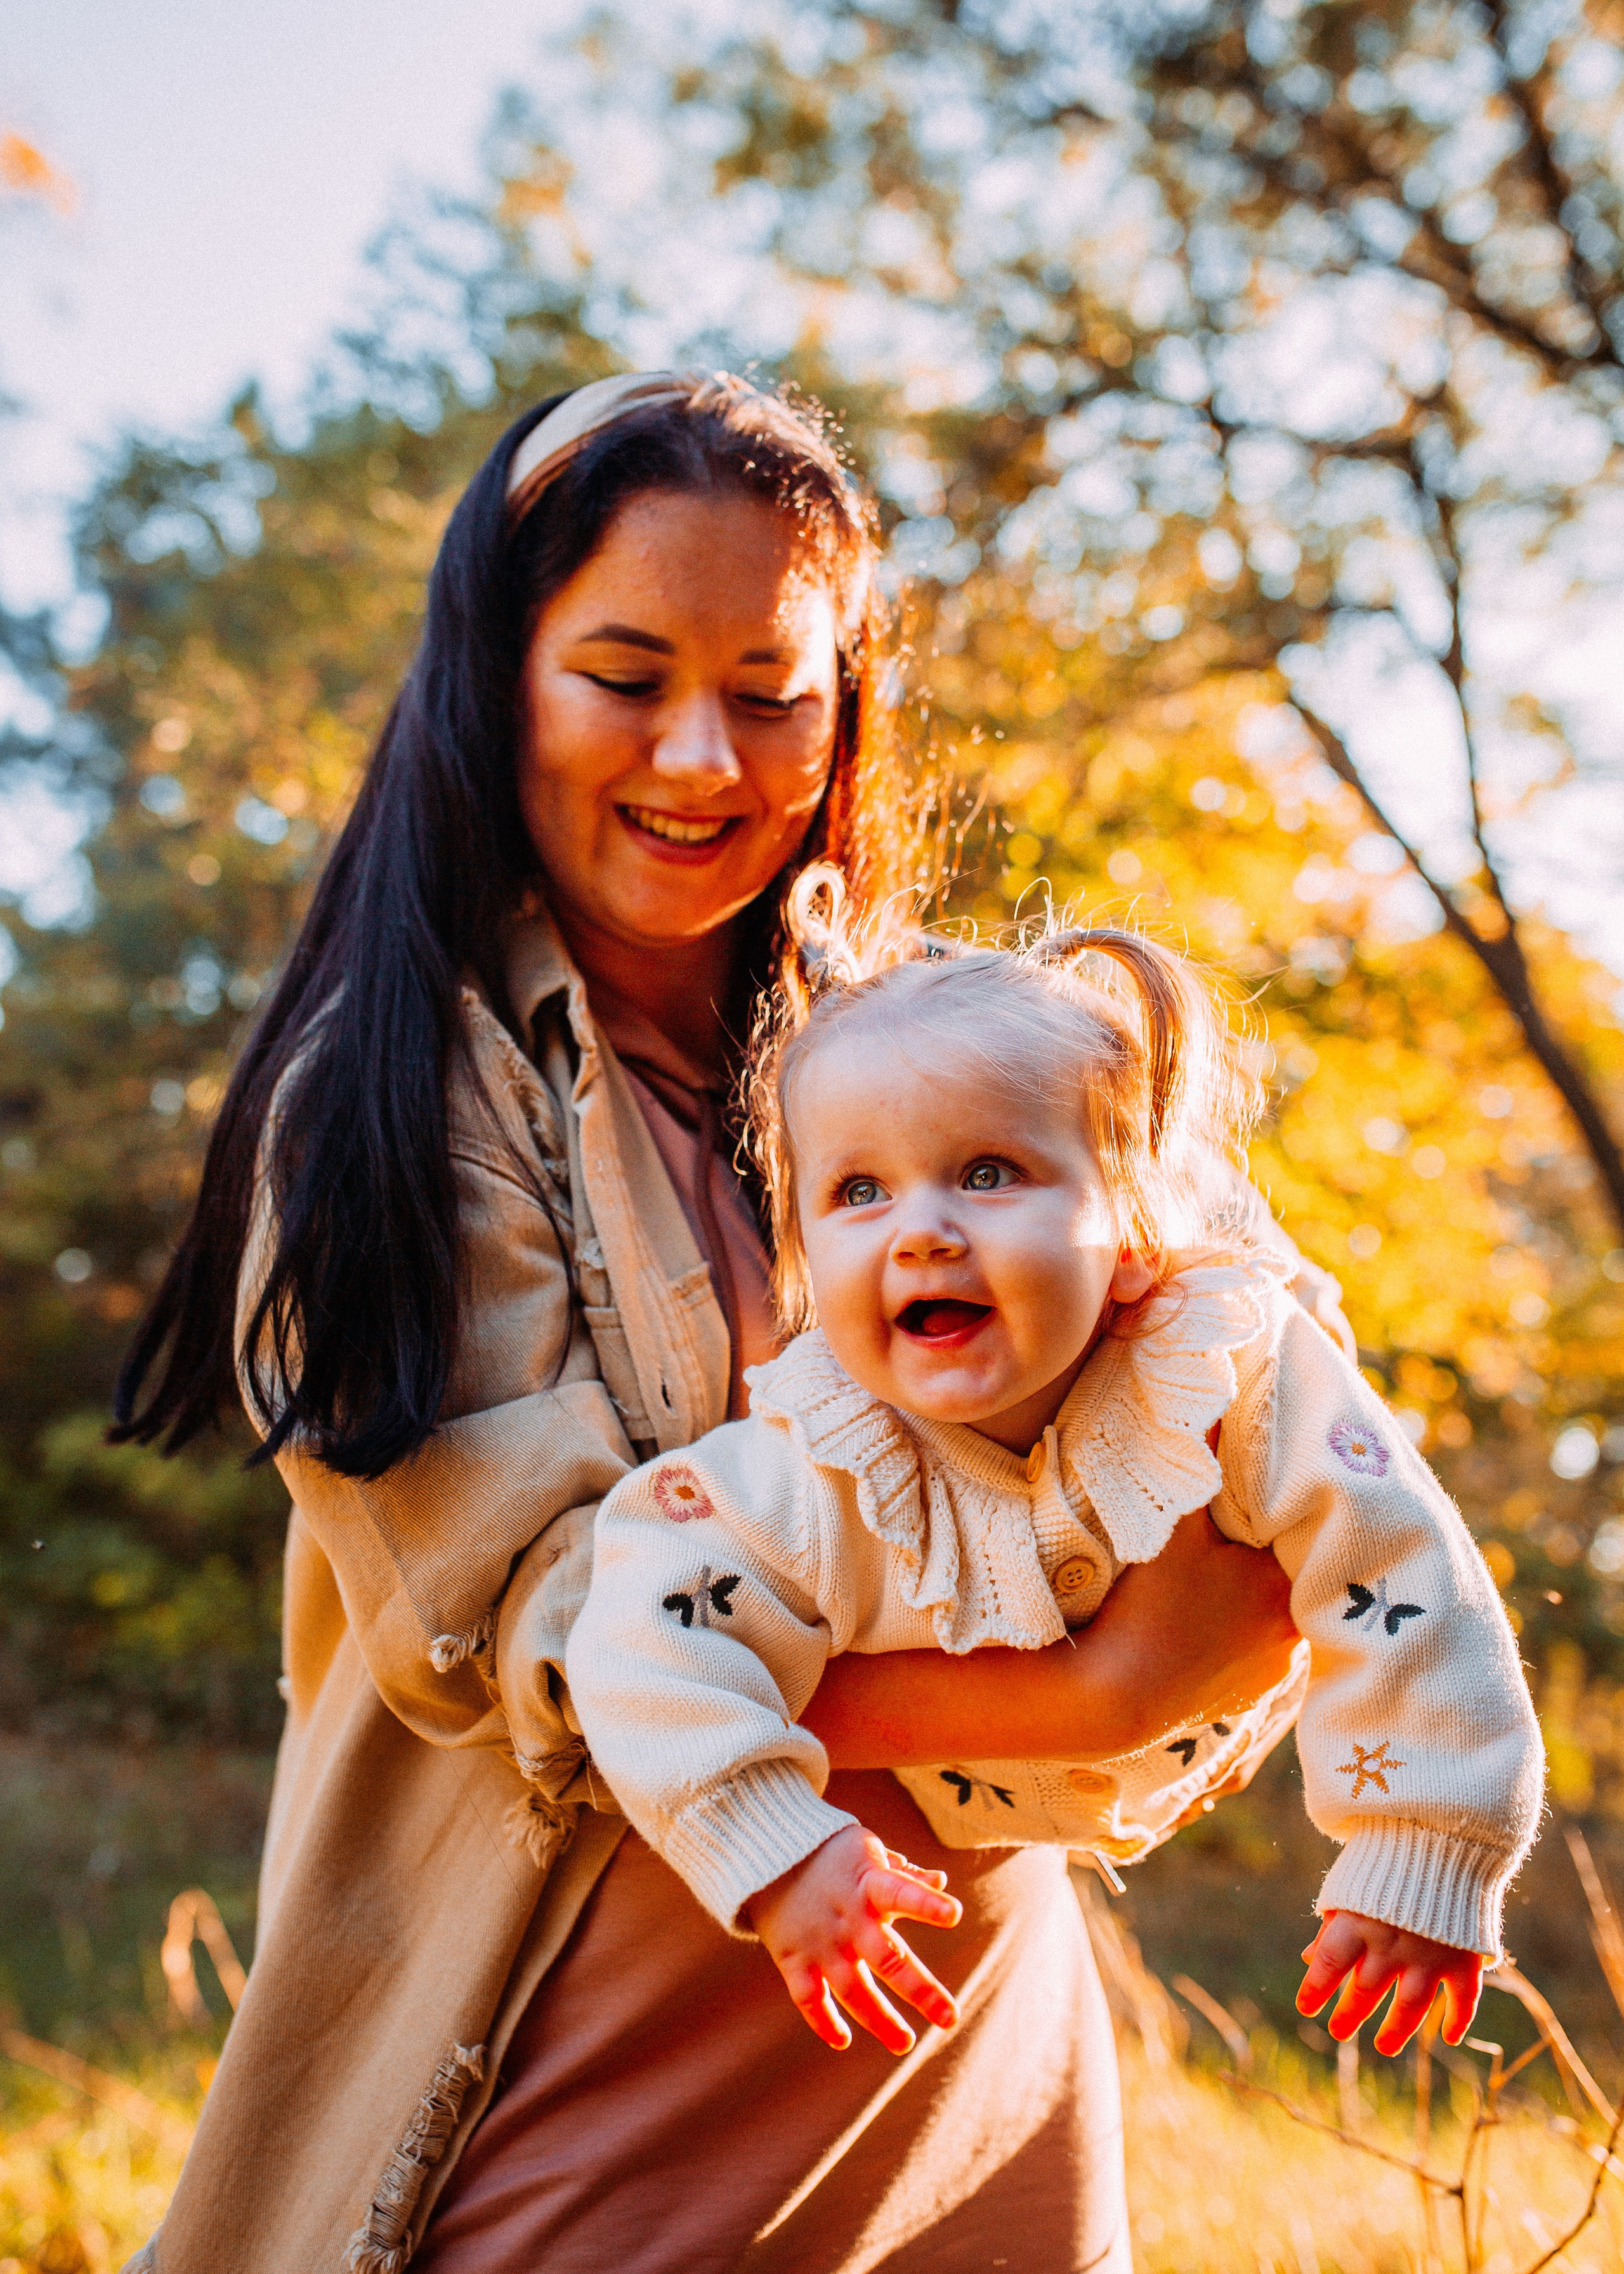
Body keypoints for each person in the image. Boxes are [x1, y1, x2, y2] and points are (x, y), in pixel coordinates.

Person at [112, 371, 1321, 2274]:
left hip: (960, 2057)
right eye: (625, 675)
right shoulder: (385, 1099)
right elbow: (558, 1640)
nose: (704, 761)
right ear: (495, 674)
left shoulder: (943, 1048)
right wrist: (1098, 1691)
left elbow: (1242, 1391)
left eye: (772, 691)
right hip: (580, 2080)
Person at [568, 887, 1543, 2070]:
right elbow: (637, 1632)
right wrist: (775, 1845)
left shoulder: (1226, 1373)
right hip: (922, 1886)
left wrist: (1421, 1846)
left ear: (1135, 1237)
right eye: (858, 1192)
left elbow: (1400, 1567)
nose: (918, 1232)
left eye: (987, 1173)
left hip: (1096, 1856)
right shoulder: (809, 1465)